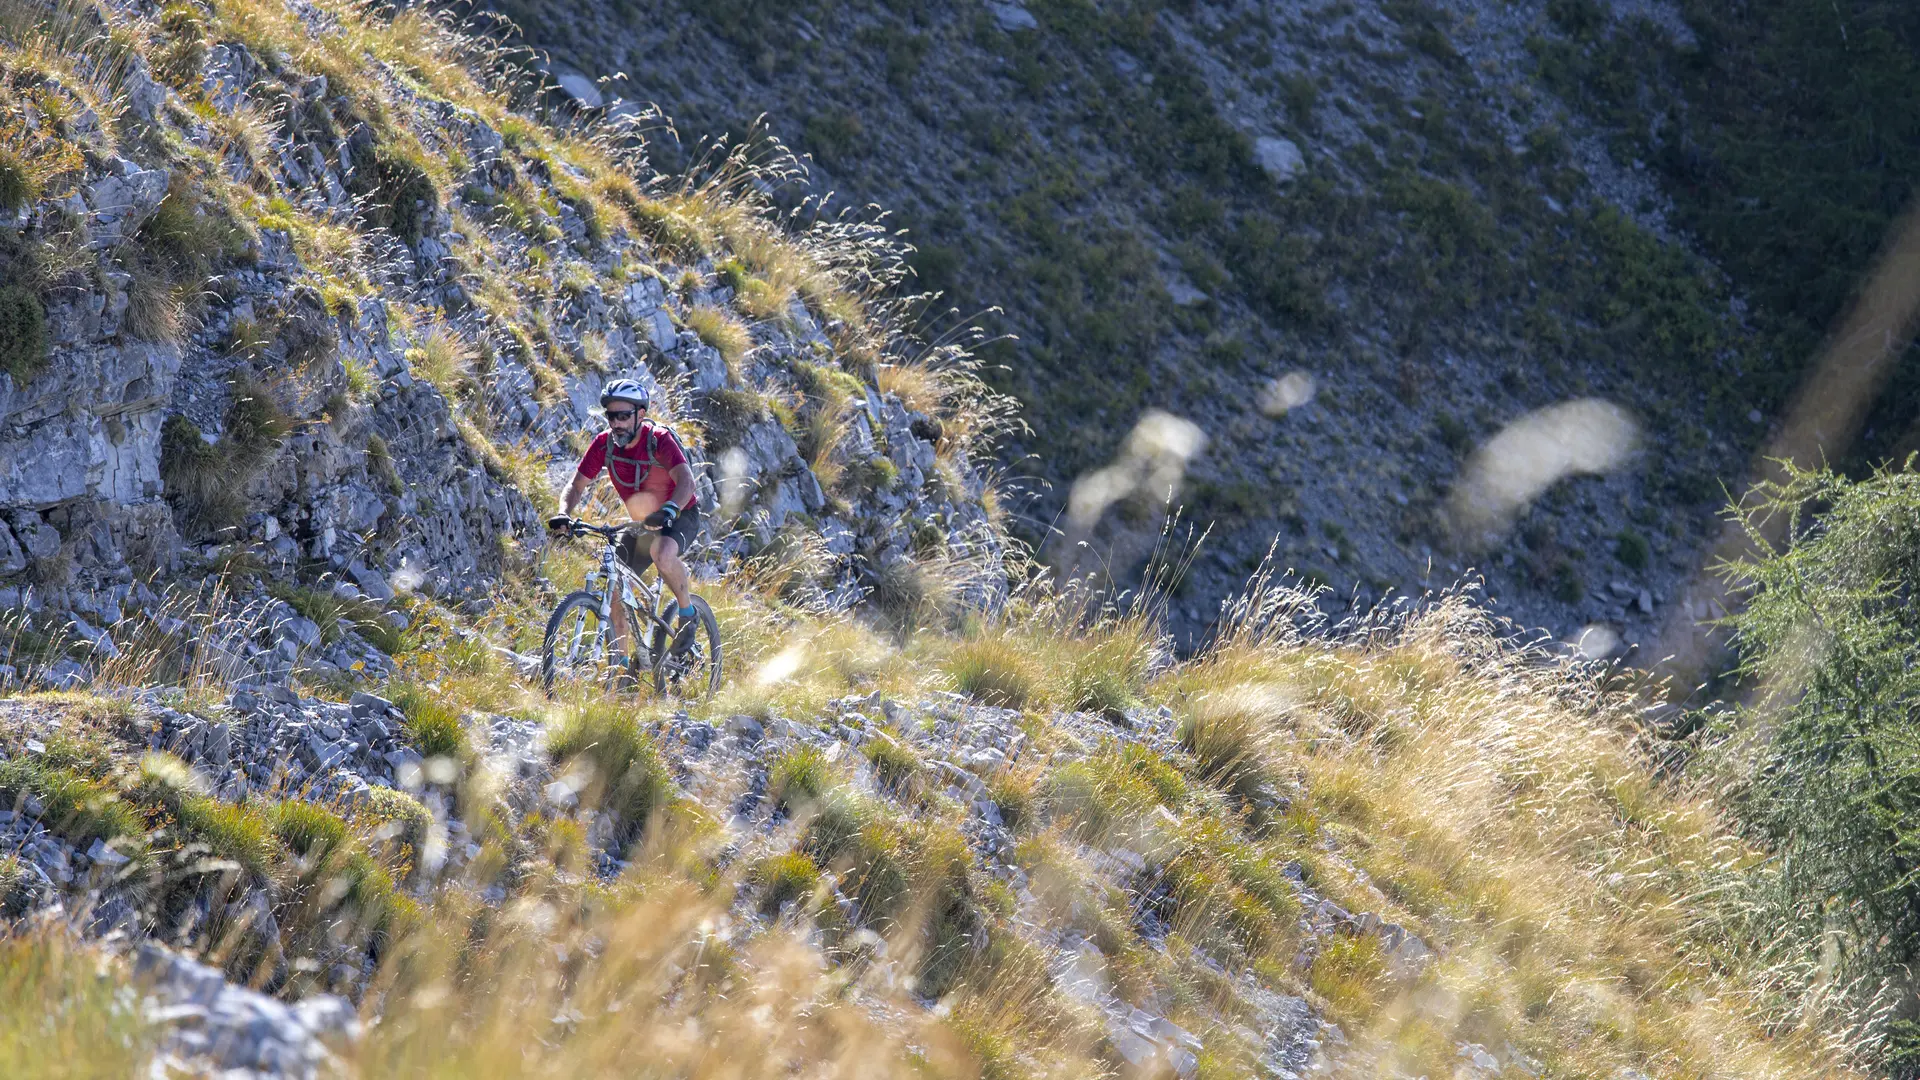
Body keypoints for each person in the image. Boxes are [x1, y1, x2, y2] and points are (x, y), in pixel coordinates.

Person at [547, 378, 702, 663]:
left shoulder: (659, 441)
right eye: (611, 416)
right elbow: (577, 485)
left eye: (623, 416)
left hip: (680, 513)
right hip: (642, 524)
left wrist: (669, 509)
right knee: (614, 582)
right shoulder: (604, 445)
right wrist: (564, 513)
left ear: (640, 415)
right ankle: (621, 670)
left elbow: (687, 482)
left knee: (662, 552)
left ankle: (688, 615)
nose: (616, 423)